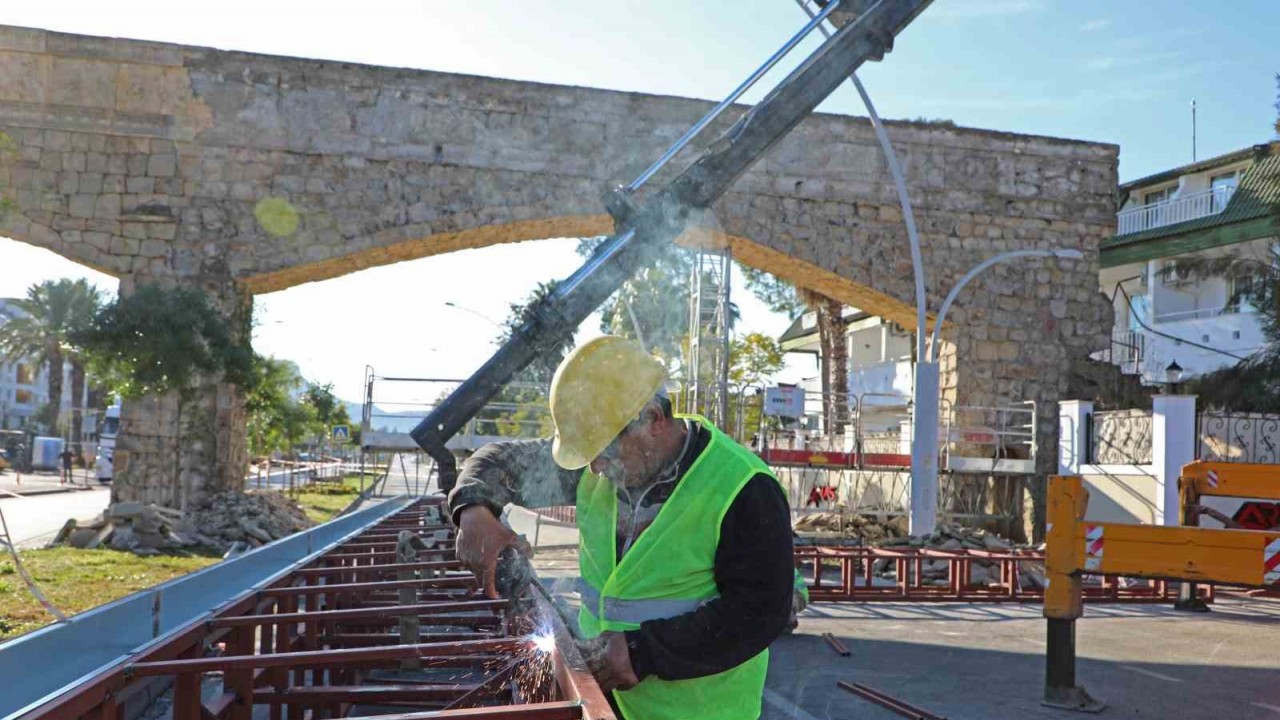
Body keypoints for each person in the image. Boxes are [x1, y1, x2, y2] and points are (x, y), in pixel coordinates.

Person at [448, 336, 795, 720]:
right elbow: (496, 460)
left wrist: (642, 651)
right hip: (608, 705)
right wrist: (472, 508)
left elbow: (759, 612)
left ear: (653, 421)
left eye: (605, 451)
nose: (595, 468)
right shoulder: (598, 468)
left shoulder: (743, 487)